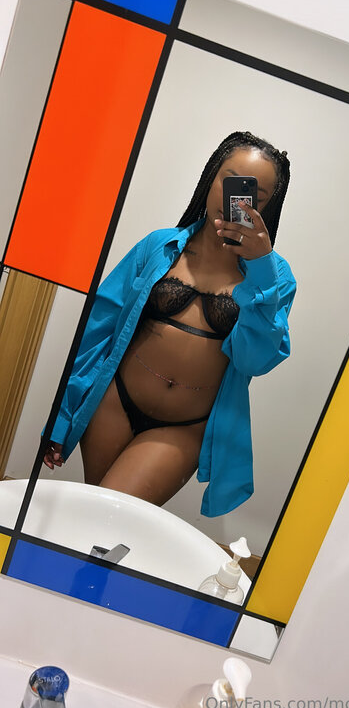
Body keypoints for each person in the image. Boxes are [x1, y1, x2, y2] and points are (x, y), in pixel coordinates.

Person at [42, 131, 296, 517]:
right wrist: (62, 416)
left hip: (184, 426)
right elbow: (98, 330)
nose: (236, 201)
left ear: (267, 206)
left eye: (254, 196)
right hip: (114, 402)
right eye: (230, 182)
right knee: (97, 520)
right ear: (211, 177)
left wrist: (260, 268)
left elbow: (254, 360)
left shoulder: (275, 278)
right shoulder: (159, 246)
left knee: (109, 515)